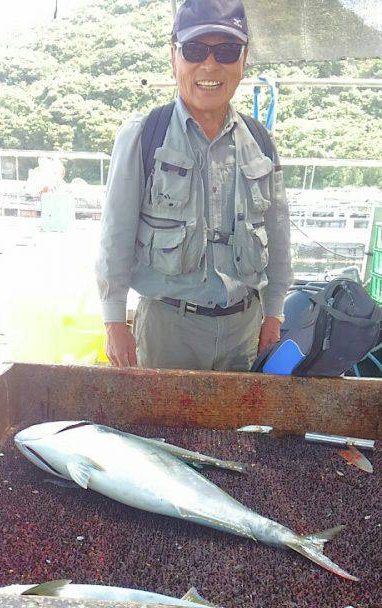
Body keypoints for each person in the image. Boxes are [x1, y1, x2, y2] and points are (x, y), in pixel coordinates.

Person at [95, 0, 292, 371]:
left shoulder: (261, 141)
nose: (210, 65)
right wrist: (114, 321)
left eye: (227, 51)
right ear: (174, 57)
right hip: (168, 328)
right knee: (162, 429)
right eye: (195, 50)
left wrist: (275, 311)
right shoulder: (142, 135)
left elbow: (278, 236)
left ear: (244, 59)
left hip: (243, 328)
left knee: (235, 428)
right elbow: (114, 236)